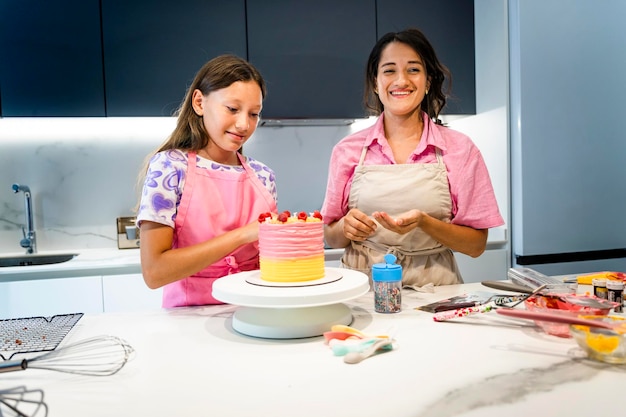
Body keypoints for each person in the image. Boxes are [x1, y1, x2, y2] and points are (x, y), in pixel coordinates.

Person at [321, 28, 504, 287]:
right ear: (375, 82)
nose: (401, 80)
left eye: (413, 69)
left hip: (436, 291)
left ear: (428, 81)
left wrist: (425, 223)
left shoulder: (460, 149)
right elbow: (331, 237)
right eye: (389, 70)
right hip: (362, 289)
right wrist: (344, 228)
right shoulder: (347, 150)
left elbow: (476, 246)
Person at [136, 54, 277, 307]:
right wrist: (241, 236)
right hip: (189, 322)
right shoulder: (169, 167)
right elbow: (154, 272)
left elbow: (273, 263)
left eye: (254, 114)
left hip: (255, 315)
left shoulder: (263, 176)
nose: (244, 124)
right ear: (200, 102)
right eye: (232, 109)